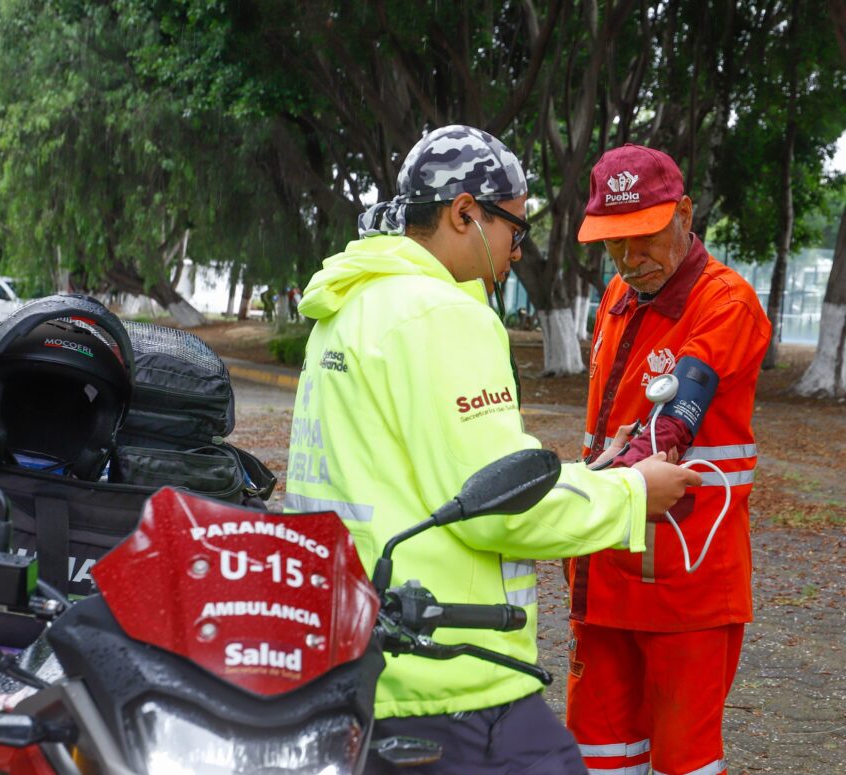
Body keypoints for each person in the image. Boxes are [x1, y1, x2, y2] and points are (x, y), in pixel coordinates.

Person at [284, 125, 699, 773]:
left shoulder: (350, 308)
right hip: (454, 675)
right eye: (515, 227)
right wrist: (633, 492)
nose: (516, 249)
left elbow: (421, 471)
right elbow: (504, 506)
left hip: (363, 658)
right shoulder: (442, 314)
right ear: (464, 212)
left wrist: (582, 475)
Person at [566, 144, 772, 775]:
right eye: (614, 243)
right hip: (604, 578)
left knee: (684, 762)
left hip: (688, 587)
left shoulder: (725, 303)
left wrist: (564, 501)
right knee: (598, 757)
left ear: (685, 214)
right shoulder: (617, 299)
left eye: (646, 237)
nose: (631, 259)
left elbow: (668, 425)